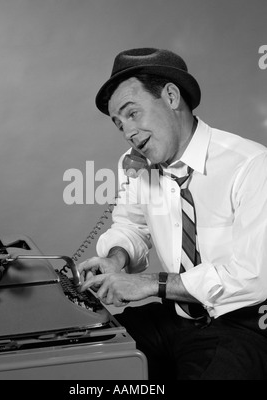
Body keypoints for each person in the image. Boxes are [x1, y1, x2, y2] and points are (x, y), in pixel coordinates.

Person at [77, 48, 267, 380]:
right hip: (177, 315)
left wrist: (149, 284)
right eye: (119, 123)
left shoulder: (251, 166)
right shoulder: (137, 163)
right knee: (89, 355)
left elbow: (251, 279)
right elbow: (132, 225)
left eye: (133, 113)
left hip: (241, 321)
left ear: (170, 96)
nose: (128, 133)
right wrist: (117, 260)